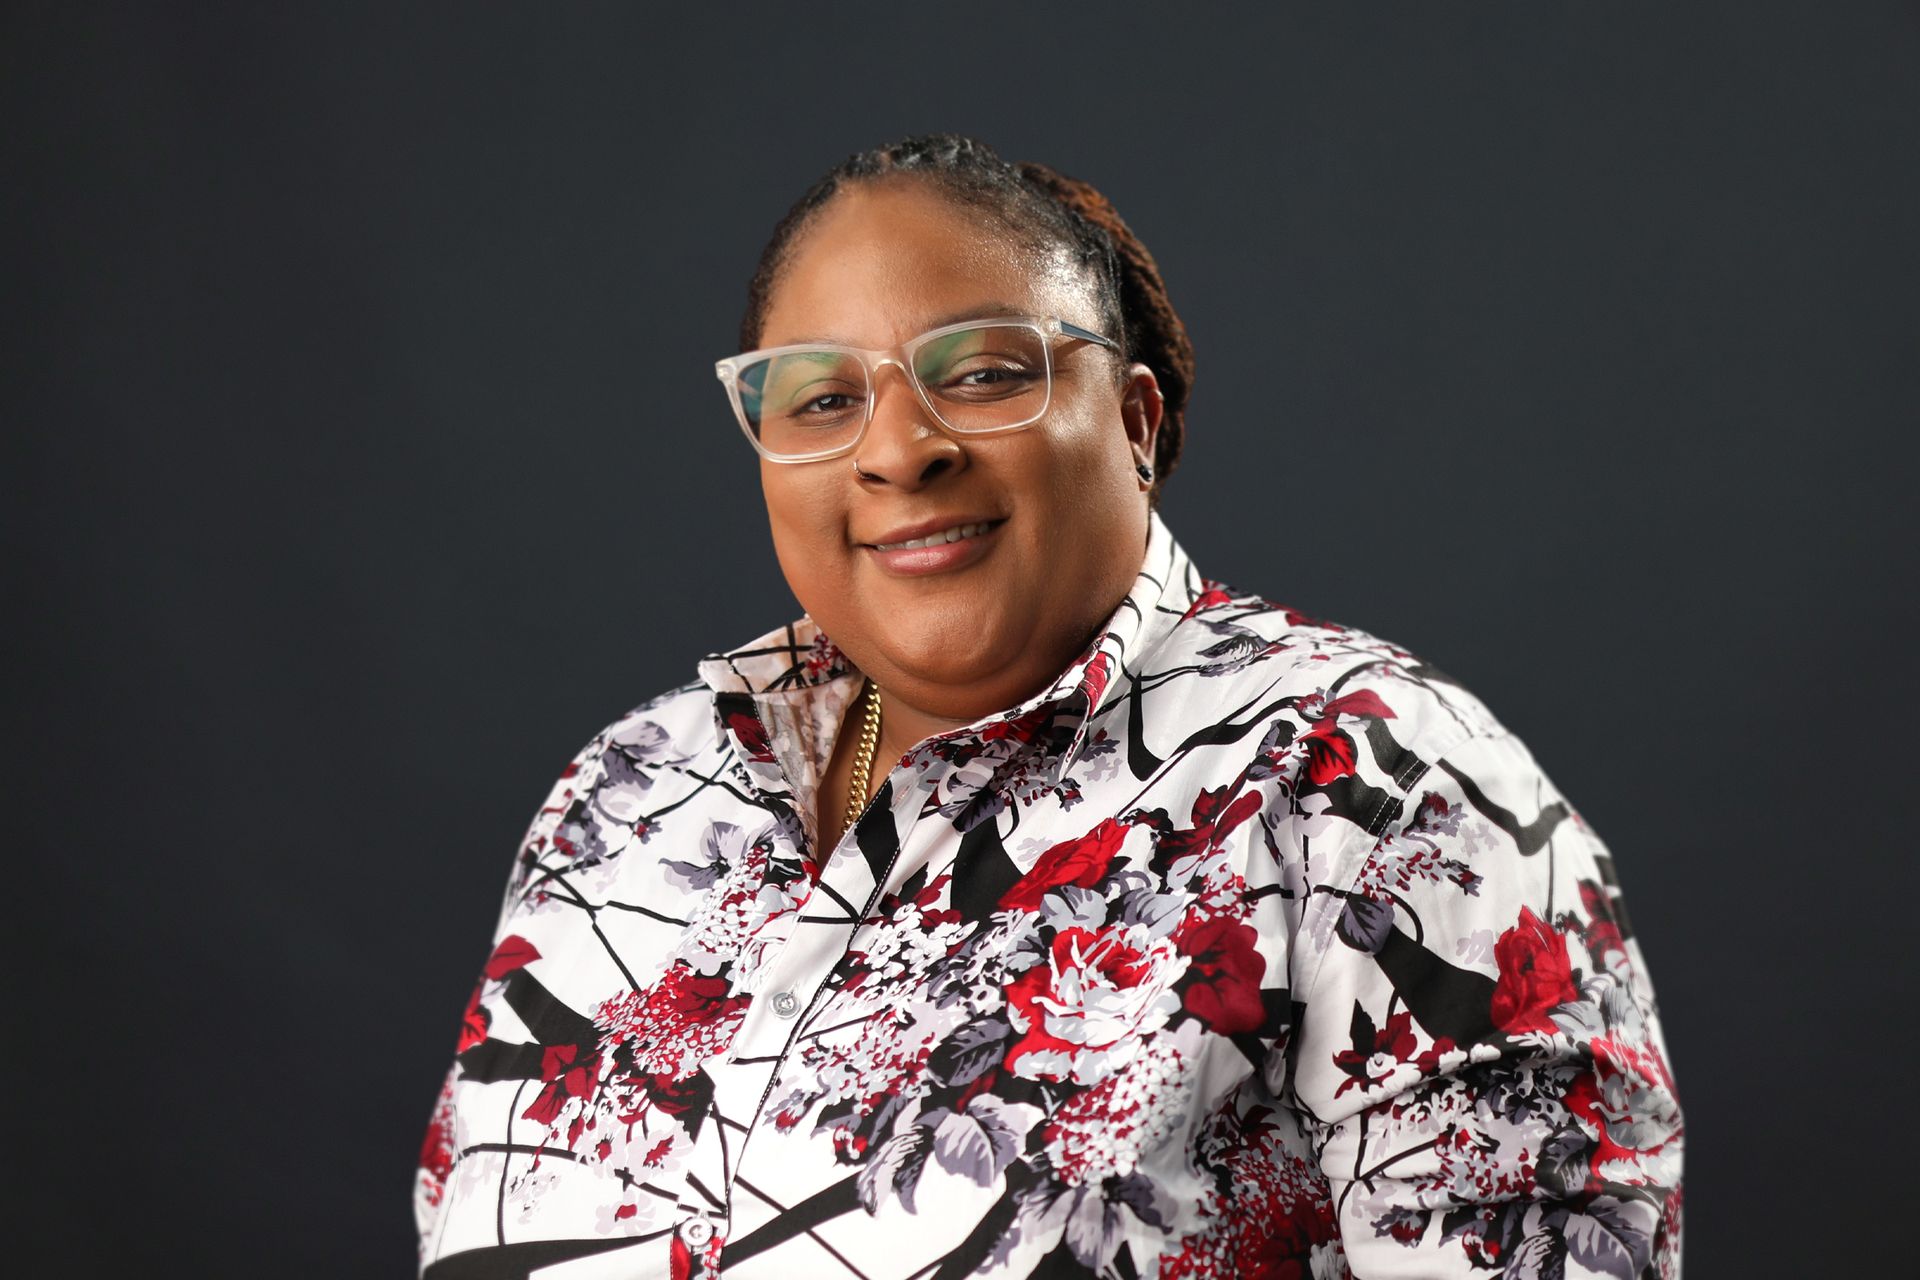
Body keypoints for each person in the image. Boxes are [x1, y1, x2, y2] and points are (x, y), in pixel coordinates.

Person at [413, 134, 1683, 1280]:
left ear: (1135, 419)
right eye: (822, 397)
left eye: (981, 372)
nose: (898, 448)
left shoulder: (1378, 787)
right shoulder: (628, 793)